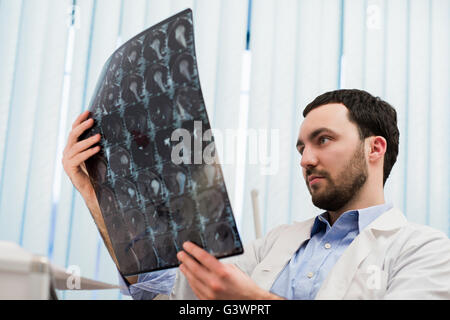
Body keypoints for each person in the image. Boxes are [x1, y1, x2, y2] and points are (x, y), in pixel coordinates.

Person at [62, 89, 450, 300]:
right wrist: (98, 198)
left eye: (324, 140)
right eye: (301, 148)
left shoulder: (424, 250)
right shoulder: (278, 243)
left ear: (374, 149)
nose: (306, 159)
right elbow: (163, 297)